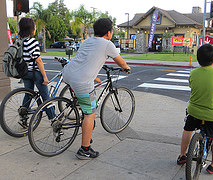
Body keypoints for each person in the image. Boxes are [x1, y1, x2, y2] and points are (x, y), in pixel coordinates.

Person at [62, 18, 130, 159]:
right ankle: (84, 149)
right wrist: (126, 68)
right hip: (81, 82)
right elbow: (120, 61)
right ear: (109, 32)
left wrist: (93, 77)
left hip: (68, 74)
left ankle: (86, 132)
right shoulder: (107, 44)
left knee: (84, 104)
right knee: (90, 114)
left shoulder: (87, 41)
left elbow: (83, 61)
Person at [177, 44, 213, 174]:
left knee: (187, 129)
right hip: (212, 114)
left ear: (197, 59)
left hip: (193, 111)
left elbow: (192, 85)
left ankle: (182, 155)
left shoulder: (193, 73)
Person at [19, 17, 55, 127]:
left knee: (28, 94)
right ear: (32, 29)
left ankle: (23, 116)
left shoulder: (20, 41)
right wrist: (45, 76)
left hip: (24, 72)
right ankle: (54, 119)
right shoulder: (32, 41)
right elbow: (38, 60)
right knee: (46, 97)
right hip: (34, 73)